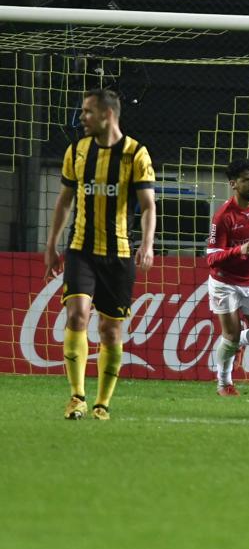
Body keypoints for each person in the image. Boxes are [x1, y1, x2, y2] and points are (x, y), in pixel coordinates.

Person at [43, 88, 156, 421]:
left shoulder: (136, 153)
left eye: (88, 112)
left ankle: (102, 404)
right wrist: (51, 244)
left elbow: (148, 206)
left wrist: (147, 244)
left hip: (119, 255)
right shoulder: (76, 151)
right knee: (76, 315)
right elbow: (65, 201)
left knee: (110, 330)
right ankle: (77, 397)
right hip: (81, 250)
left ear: (108, 115)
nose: (82, 118)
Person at [205, 159, 249, 396]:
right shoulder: (223, 217)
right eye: (246, 179)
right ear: (234, 184)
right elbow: (211, 258)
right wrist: (240, 250)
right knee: (231, 336)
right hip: (225, 283)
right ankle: (224, 383)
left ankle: (231, 341)